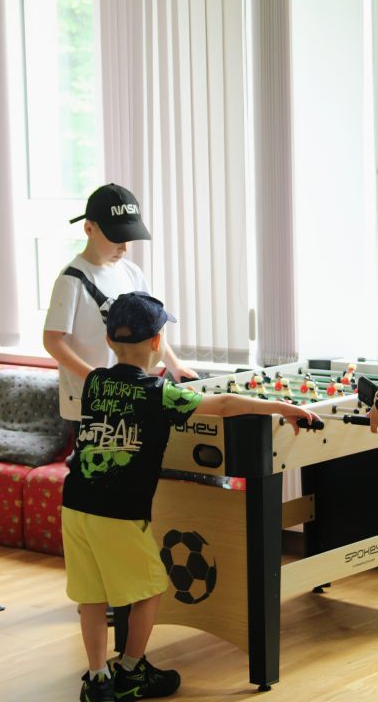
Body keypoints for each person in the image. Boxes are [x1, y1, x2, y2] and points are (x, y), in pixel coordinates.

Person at [61, 291, 321, 702]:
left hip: (75, 504)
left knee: (91, 597)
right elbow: (223, 405)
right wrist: (279, 407)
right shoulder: (159, 391)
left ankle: (96, 679)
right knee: (150, 589)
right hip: (120, 512)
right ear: (157, 341)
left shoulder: (94, 382)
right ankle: (131, 671)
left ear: (109, 340)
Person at [43, 183, 198, 435]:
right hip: (88, 402)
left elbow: (152, 327)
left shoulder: (131, 272)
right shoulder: (71, 280)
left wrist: (175, 366)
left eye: (128, 238)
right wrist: (95, 378)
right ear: (89, 229)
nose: (124, 247)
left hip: (128, 396)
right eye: (116, 238)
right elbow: (52, 340)